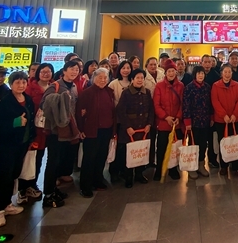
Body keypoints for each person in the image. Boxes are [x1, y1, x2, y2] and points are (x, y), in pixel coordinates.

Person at [0, 71, 35, 228]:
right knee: (4, 176)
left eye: (24, 82)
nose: (21, 85)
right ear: (11, 84)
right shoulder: (4, 102)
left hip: (22, 144)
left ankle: (7, 204)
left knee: (14, 174)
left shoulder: (28, 100)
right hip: (5, 145)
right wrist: (15, 122)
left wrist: (31, 139)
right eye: (17, 82)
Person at [41, 60, 81, 208]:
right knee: (52, 161)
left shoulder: (74, 86)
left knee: (60, 160)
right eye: (71, 69)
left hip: (69, 129)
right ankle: (48, 194)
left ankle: (54, 189)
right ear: (64, 71)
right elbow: (44, 104)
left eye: (76, 69)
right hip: (55, 130)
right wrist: (59, 101)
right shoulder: (55, 86)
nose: (74, 71)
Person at [76, 68, 115, 197]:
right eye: (100, 77)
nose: (103, 80)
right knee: (89, 158)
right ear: (94, 78)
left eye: (105, 78)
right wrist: (81, 129)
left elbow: (112, 112)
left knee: (101, 156)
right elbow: (80, 113)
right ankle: (85, 186)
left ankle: (97, 180)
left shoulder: (109, 92)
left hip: (106, 129)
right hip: (91, 130)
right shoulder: (87, 93)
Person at [17, 63, 52, 203]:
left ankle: (33, 184)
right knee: (27, 159)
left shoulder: (53, 87)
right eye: (43, 71)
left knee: (39, 158)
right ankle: (22, 188)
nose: (45, 74)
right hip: (31, 130)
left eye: (48, 71)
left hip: (46, 130)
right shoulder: (29, 88)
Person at [117, 69, 154, 187]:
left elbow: (151, 110)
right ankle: (128, 176)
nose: (140, 80)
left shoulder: (147, 92)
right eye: (137, 78)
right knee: (129, 153)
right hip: (130, 130)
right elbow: (121, 111)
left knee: (141, 152)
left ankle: (139, 174)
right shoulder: (126, 93)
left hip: (143, 129)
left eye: (142, 78)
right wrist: (127, 127)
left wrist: (149, 124)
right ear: (132, 79)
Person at [211, 64, 238, 179]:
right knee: (224, 143)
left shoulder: (236, 85)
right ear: (221, 73)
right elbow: (215, 101)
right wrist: (224, 115)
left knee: (236, 143)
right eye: (225, 72)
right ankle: (224, 166)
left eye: (229, 72)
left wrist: (235, 114)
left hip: (236, 120)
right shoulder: (216, 86)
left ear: (232, 73)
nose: (227, 74)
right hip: (221, 120)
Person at [153, 60, 184, 181]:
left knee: (175, 148)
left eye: (173, 71)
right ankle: (159, 169)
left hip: (176, 123)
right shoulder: (159, 86)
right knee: (161, 147)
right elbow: (156, 105)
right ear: (165, 73)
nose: (171, 73)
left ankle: (173, 169)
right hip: (163, 123)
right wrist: (166, 117)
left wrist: (178, 117)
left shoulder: (180, 86)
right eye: (169, 71)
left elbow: (182, 104)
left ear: (176, 72)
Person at [183, 65, 213, 178]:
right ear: (194, 75)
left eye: (202, 73)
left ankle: (201, 165)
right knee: (193, 144)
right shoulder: (189, 88)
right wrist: (187, 121)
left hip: (205, 121)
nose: (201, 75)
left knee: (203, 144)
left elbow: (210, 104)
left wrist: (211, 117)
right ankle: (192, 167)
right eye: (198, 73)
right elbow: (186, 105)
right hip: (193, 122)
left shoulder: (207, 87)